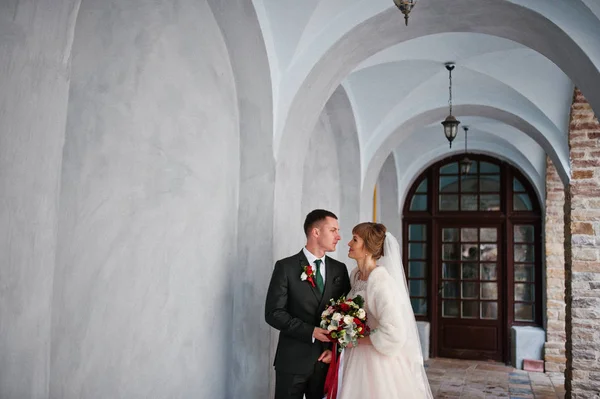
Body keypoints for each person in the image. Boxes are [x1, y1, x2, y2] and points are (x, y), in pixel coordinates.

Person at [337, 222, 433, 399]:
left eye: (355, 240)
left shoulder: (381, 282)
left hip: (376, 362)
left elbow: (395, 333)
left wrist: (356, 341)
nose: (349, 243)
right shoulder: (355, 275)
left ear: (367, 247)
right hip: (353, 357)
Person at [265, 209, 351, 399]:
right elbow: (273, 312)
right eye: (333, 230)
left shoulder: (340, 269)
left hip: (325, 360)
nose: (338, 236)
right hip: (292, 360)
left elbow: (347, 315)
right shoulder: (285, 267)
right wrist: (310, 331)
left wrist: (335, 351)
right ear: (316, 232)